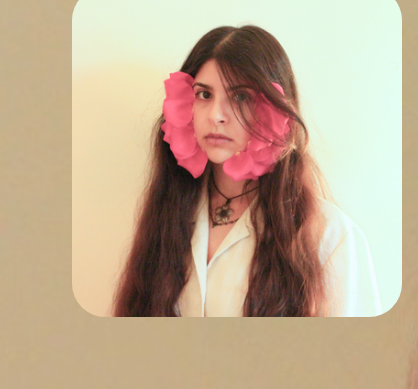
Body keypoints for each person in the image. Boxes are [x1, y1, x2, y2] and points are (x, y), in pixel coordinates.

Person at [112, 24, 380, 317]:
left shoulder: (329, 235)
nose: (216, 115)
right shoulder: (168, 211)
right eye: (204, 95)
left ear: (276, 110)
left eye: (241, 97)